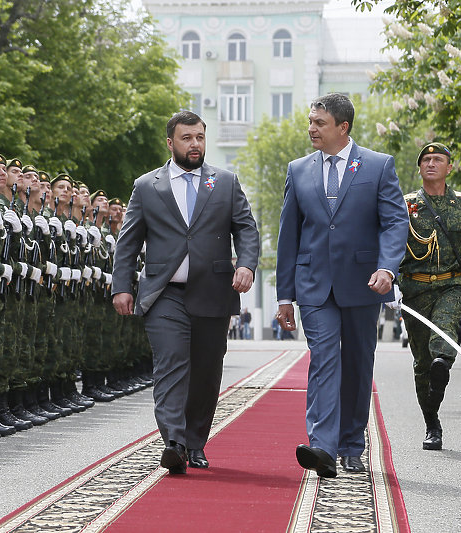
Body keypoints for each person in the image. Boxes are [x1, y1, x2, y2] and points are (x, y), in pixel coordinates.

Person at [112, 110, 260, 475]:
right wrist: (121, 286)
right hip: (164, 294)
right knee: (171, 364)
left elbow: (246, 229)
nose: (195, 145)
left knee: (207, 372)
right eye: (186, 138)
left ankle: (195, 443)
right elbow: (128, 241)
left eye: (199, 137)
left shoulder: (224, 182)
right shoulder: (148, 186)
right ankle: (173, 442)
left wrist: (246, 264)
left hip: (213, 292)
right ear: (170, 142)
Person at [276, 93, 408, 477]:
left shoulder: (378, 165)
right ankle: (323, 446)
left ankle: (352, 444)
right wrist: (285, 294)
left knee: (357, 364)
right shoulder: (298, 169)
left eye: (319, 123)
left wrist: (388, 268)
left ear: (342, 127)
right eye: (311, 121)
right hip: (314, 285)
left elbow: (395, 222)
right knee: (323, 360)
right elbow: (289, 237)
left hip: (364, 284)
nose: (311, 128)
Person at [392, 142, 461, 451]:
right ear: (419, 168)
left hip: (451, 286)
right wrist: (389, 278)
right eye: (426, 159)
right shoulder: (403, 205)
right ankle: (432, 422)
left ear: (449, 167)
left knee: (442, 336)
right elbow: (390, 246)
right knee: (422, 364)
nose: (431, 163)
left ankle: (443, 361)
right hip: (414, 290)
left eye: (438, 159)